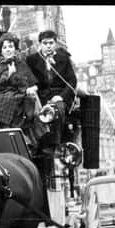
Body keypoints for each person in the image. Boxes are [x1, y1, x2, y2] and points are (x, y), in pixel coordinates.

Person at [26, 30, 77, 185]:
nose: (48, 46)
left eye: (51, 43)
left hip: (58, 96)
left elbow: (71, 82)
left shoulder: (64, 59)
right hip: (40, 96)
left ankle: (53, 143)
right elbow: (29, 79)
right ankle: (35, 143)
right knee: (32, 111)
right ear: (39, 45)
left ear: (55, 44)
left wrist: (61, 96)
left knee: (58, 108)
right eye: (44, 43)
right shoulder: (32, 60)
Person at [0, 32, 38, 130]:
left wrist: (32, 88)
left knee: (11, 99)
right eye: (5, 48)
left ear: (15, 49)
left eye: (10, 46)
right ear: (1, 51)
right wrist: (8, 75)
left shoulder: (21, 64)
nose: (8, 50)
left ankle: (10, 130)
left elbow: (33, 83)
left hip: (18, 95)